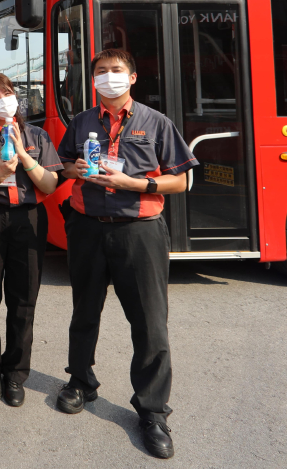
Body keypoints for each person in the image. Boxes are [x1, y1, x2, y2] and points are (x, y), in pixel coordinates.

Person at [56, 48, 198, 460]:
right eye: (101, 71)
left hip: (139, 231)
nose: (108, 77)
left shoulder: (156, 122)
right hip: (87, 228)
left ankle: (152, 410)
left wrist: (136, 184)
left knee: (150, 323)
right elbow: (63, 166)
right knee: (84, 311)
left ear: (132, 78)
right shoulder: (82, 122)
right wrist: (76, 170)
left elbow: (181, 180)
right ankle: (80, 382)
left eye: (116, 70)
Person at [0, 72, 62, 407]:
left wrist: (23, 154)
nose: (3, 101)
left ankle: (16, 373)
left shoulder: (37, 135)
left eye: (7, 93)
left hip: (29, 219)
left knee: (24, 299)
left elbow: (50, 185)